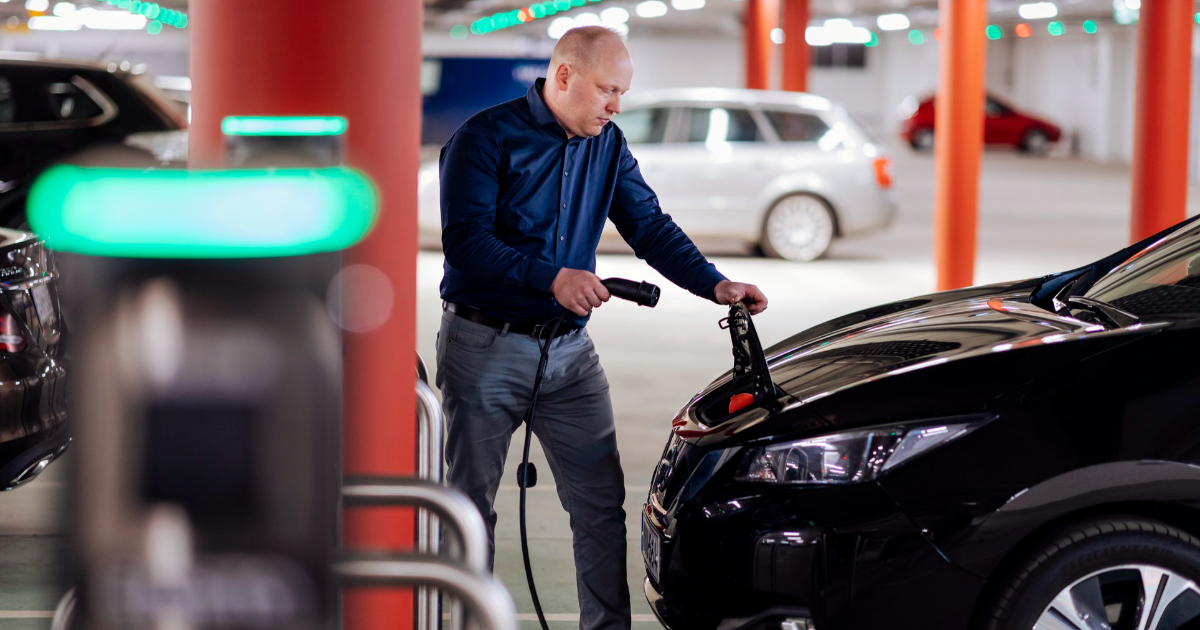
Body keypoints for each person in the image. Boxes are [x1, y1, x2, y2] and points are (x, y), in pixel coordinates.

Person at [435, 25, 768, 630]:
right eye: (608, 90)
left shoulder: (607, 146)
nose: (617, 106)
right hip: (483, 347)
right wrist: (550, 277)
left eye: (623, 93)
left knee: (599, 506)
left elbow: (651, 227)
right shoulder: (484, 138)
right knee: (469, 508)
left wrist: (715, 284)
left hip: (568, 356)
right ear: (564, 76)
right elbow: (464, 242)